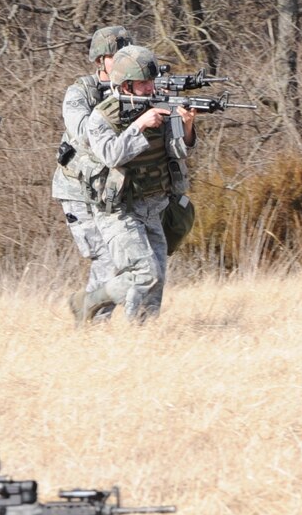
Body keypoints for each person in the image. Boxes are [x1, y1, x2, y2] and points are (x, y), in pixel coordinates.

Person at [58, 44, 196, 322]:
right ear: (127, 85)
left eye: (151, 81)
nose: (150, 88)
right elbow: (111, 154)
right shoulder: (103, 115)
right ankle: (88, 302)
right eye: (144, 83)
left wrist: (187, 125)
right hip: (118, 209)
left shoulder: (157, 104)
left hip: (153, 204)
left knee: (155, 280)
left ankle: (142, 338)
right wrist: (140, 125)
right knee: (143, 274)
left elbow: (178, 151)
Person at [54, 25, 135, 321]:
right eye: (117, 55)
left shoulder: (135, 89)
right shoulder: (80, 92)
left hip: (112, 190)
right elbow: (84, 132)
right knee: (106, 256)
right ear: (100, 60)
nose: (124, 61)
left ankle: (89, 310)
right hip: (77, 189)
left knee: (127, 258)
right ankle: (93, 323)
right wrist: (119, 106)